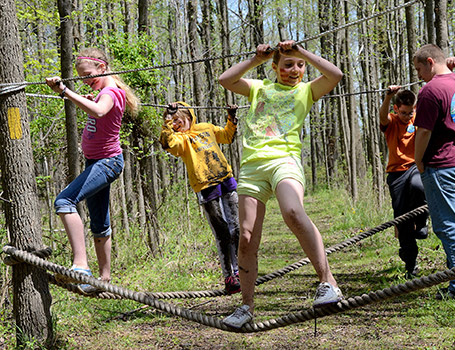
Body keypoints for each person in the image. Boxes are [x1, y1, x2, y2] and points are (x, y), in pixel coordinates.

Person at [218, 40, 344, 328]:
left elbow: (335, 75)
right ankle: (246, 308)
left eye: (298, 65)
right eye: (287, 65)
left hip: (284, 161)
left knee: (292, 212)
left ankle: (327, 282)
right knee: (247, 237)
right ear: (275, 68)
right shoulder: (259, 87)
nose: (294, 70)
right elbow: (226, 80)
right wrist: (255, 59)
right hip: (252, 167)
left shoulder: (306, 91)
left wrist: (302, 53)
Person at [46, 48, 139, 294]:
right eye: (81, 77)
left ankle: (81, 266)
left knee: (64, 200)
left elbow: (99, 111)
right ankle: (103, 281)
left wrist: (66, 91)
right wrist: (85, 95)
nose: (86, 80)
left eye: (88, 75)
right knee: (99, 221)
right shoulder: (102, 93)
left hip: (107, 162)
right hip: (95, 162)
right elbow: (98, 108)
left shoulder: (110, 92)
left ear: (102, 67)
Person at [413, 44, 455, 299]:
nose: (419, 75)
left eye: (420, 68)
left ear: (430, 62)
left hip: (440, 167)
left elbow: (424, 131)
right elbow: (452, 81)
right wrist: (451, 68)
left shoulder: (430, 92)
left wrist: (418, 160)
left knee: (449, 226)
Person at [159, 102, 241, 294]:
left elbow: (228, 137)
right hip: (205, 186)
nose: (176, 125)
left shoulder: (206, 128)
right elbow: (167, 143)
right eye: (173, 123)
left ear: (189, 115)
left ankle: (240, 270)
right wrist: (167, 122)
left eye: (178, 120)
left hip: (225, 179)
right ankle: (228, 276)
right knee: (221, 231)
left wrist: (231, 117)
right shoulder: (180, 140)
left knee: (235, 227)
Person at [379, 86, 428, 279]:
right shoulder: (391, 121)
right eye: (404, 113)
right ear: (396, 109)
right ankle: (411, 263)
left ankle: (422, 221)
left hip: (415, 166)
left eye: (411, 112)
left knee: (419, 186)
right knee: (402, 219)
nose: (408, 116)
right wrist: (387, 97)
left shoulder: (418, 118)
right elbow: (383, 116)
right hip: (396, 174)